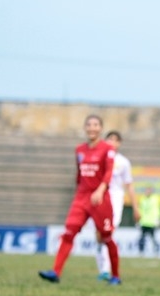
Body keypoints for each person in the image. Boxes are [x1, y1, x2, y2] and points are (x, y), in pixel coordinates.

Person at [39, 114, 122, 285]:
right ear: (85, 128)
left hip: (100, 198)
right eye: (89, 125)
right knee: (69, 233)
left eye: (95, 125)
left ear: (100, 128)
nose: (92, 128)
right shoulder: (79, 150)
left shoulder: (108, 149)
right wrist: (78, 194)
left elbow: (108, 172)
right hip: (82, 197)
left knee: (106, 237)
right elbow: (79, 174)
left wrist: (100, 190)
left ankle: (115, 276)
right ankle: (55, 272)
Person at [95, 130, 140, 281]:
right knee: (99, 235)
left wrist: (135, 207)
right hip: (99, 197)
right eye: (110, 139)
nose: (112, 142)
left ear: (119, 144)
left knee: (109, 233)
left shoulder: (123, 162)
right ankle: (102, 268)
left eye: (116, 140)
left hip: (115, 199)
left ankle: (107, 270)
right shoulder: (98, 157)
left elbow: (129, 186)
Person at [138, 186, 160, 256]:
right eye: (146, 190)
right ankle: (141, 252)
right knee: (142, 238)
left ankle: (156, 252)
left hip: (152, 222)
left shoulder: (155, 199)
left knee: (153, 238)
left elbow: (157, 209)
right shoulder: (142, 199)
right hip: (144, 222)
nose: (147, 192)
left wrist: (158, 218)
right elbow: (140, 210)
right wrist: (139, 220)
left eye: (149, 191)